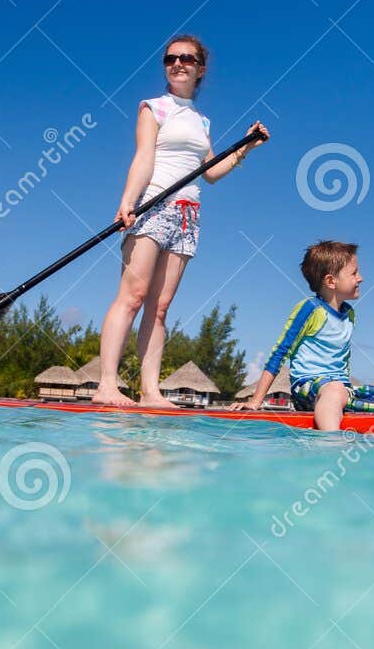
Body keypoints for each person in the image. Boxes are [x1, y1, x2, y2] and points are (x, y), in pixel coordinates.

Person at [92, 34, 267, 407]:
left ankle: (150, 391)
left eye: (187, 59)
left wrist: (246, 146)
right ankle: (106, 384)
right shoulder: (153, 107)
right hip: (152, 207)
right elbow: (144, 158)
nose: (178, 64)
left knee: (159, 308)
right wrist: (127, 201)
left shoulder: (202, 121)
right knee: (133, 297)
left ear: (200, 68)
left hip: (188, 215)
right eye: (170, 58)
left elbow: (211, 171)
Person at [246, 240, 374, 431]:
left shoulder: (349, 314)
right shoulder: (310, 309)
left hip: (343, 390)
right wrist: (256, 401)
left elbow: (344, 361)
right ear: (331, 281)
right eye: (354, 273)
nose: (361, 278)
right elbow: (280, 352)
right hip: (308, 390)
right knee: (334, 390)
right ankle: (331, 448)